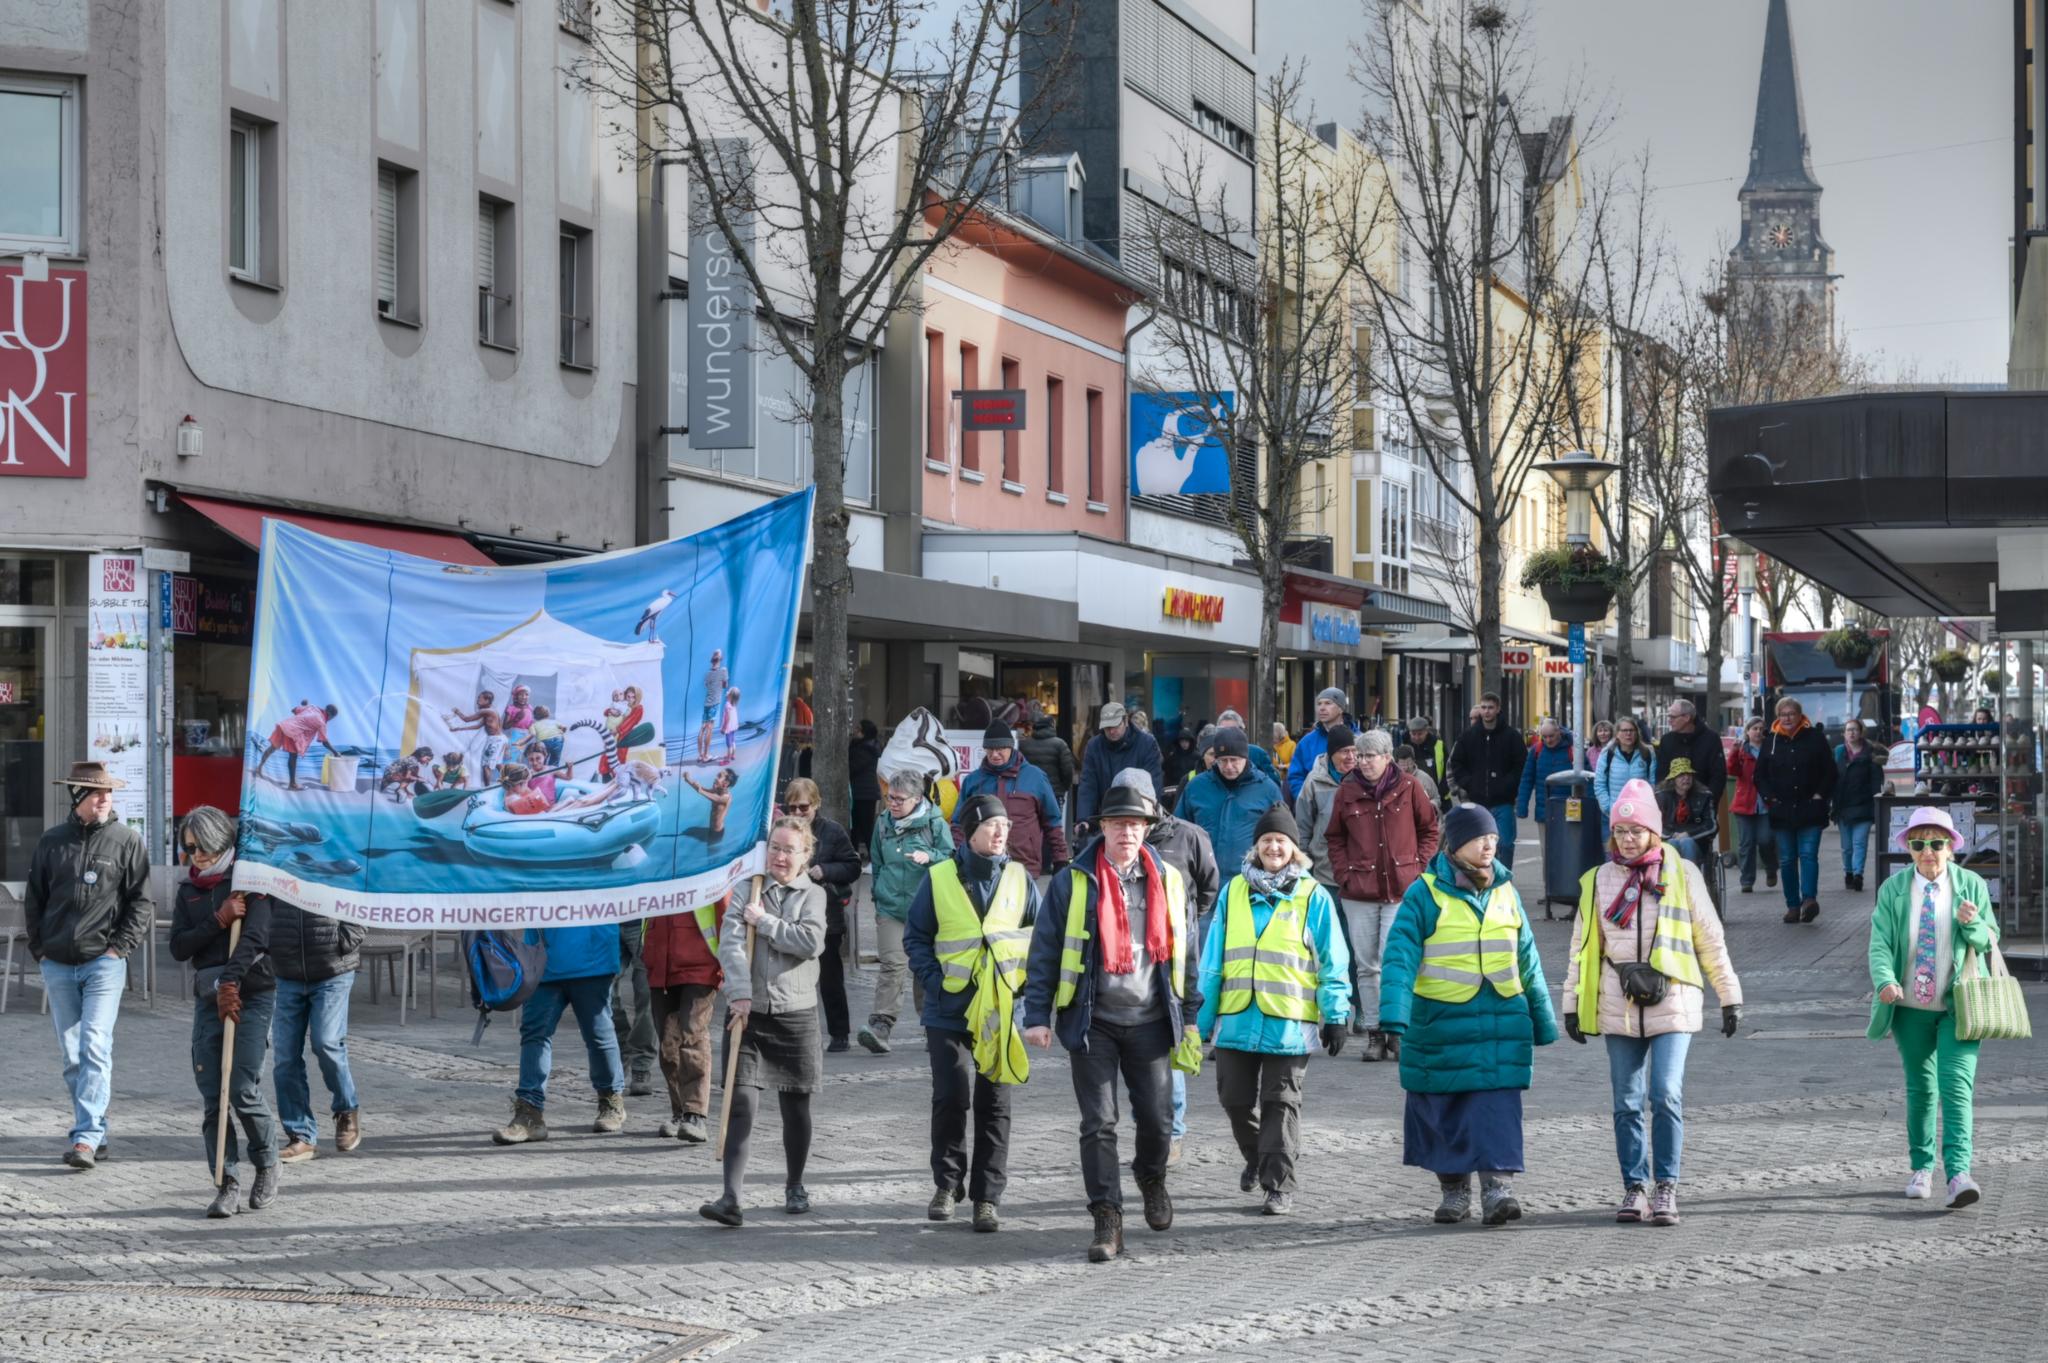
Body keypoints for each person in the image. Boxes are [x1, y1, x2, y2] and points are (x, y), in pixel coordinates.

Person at [1023, 782, 1199, 1262]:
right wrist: (1036, 1015)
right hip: (1092, 1020)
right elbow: (1045, 951)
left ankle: (1151, 1175)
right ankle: (1107, 1217)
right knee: (1099, 1122)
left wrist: (1192, 1016)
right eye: (1118, 824)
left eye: (1136, 824)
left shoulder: (1169, 878)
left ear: (1147, 830)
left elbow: (1188, 954)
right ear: (1102, 828)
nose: (1127, 832)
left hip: (1153, 1019)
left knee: (1159, 1122)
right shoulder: (1073, 880)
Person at [1561, 781, 1742, 1226]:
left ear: (1653, 832)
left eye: (1636, 830)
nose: (1626, 838)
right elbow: (1582, 949)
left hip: (1675, 998)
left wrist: (1729, 996)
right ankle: (1634, 1187)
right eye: (1620, 830)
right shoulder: (1599, 880)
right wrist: (1570, 1004)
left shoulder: (1683, 875)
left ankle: (1665, 1187)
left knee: (1665, 1094)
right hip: (1618, 1002)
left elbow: (1711, 940)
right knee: (1626, 1101)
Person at [1378, 804, 1558, 1226]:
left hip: (1500, 1019)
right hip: (1441, 1023)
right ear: (1455, 844)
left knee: (1496, 1106)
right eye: (1481, 839)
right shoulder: (1424, 893)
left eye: (1493, 839)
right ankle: (1454, 1191)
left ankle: (1498, 1189)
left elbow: (1527, 957)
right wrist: (1393, 1017)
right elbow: (1399, 958)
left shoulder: (1506, 891)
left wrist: (1543, 1017)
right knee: (1445, 1110)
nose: (1489, 846)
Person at [1195, 804, 1351, 1215]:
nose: (1274, 847)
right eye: (1266, 840)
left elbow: (1333, 960)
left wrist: (1336, 1014)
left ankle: (1278, 1184)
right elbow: (1213, 961)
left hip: (1289, 1023)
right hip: (1237, 1018)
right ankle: (1257, 1159)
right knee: (1234, 1100)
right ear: (1256, 847)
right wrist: (1199, 1021)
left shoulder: (1313, 896)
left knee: (1281, 1104)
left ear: (1294, 849)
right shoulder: (1233, 892)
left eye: (1281, 840)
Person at [903, 794, 1041, 1232]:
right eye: (991, 826)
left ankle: (987, 1197)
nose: (1001, 833)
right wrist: (934, 979)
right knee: (950, 1097)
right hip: (949, 1009)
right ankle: (947, 1185)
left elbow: (1040, 940)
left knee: (994, 1103)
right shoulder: (940, 877)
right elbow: (916, 936)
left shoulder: (1020, 879)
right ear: (969, 831)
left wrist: (1028, 995)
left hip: (1000, 1010)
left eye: (1005, 826)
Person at [699, 817, 829, 1226]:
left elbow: (810, 943)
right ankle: (730, 1198)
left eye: (790, 849)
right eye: (775, 847)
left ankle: (795, 1184)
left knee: (796, 1107)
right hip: (749, 1013)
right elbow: (732, 944)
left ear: (805, 855)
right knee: (741, 1104)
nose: (780, 856)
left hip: (796, 1013)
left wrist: (766, 923)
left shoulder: (814, 895)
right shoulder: (747, 889)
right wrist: (738, 992)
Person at [24, 761, 152, 1170]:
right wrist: (40, 950)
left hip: (103, 962)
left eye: (108, 793)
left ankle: (85, 1138)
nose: (104, 799)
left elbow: (141, 902)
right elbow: (35, 899)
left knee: (95, 1045)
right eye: (96, 792)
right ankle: (95, 1128)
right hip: (58, 964)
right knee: (73, 1055)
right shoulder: (52, 842)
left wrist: (120, 948)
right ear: (77, 797)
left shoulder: (126, 841)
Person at [1868, 807, 1997, 1208]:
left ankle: (1958, 1174)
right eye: (1919, 843)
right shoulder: (1893, 889)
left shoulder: (1970, 885)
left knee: (1956, 1089)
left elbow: (1990, 940)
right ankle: (1922, 1166)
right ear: (1908, 848)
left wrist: (1971, 924)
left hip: (1961, 1006)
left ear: (1951, 848)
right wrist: (1886, 980)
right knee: (1922, 1089)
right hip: (1909, 1008)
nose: (1928, 852)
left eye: (1937, 843)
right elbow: (1879, 943)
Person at [170, 807, 281, 1218]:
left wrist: (232, 981)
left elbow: (255, 938)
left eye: (200, 847)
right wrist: (218, 920)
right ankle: (226, 1180)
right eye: (187, 848)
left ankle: (267, 1162)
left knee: (241, 1087)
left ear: (219, 840)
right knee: (213, 1093)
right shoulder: (189, 891)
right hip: (207, 998)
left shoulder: (250, 882)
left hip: (250, 993)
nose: (194, 855)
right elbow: (180, 947)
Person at [1116, 768, 1221, 1164]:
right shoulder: (1112, 839)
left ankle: (1172, 1133)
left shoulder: (1189, 836)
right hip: (1129, 964)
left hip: (1174, 958)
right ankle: (1150, 1129)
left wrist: (1185, 921)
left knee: (1170, 1049)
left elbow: (1208, 886)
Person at [1326, 729, 1441, 1062]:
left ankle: (1397, 1030)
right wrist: (1343, 874)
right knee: (1366, 966)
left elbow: (1429, 829)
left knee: (1397, 962)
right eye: (1359, 756)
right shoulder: (1347, 790)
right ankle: (1376, 1033)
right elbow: (1334, 837)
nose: (1363, 762)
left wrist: (1418, 867)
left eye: (1370, 756)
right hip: (1359, 890)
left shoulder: (1409, 787)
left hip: (1401, 887)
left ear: (1387, 757)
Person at [491, 918, 626, 1145]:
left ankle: (610, 1098)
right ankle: (529, 1113)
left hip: (592, 962)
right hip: (544, 961)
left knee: (598, 1035)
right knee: (535, 1034)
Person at [270, 889, 367, 1164]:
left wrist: (344, 940)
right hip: (286, 970)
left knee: (326, 1042)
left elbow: (360, 899)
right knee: (285, 1057)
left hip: (332, 969)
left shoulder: (335, 853)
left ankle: (346, 1108)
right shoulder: (277, 854)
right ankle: (300, 1135)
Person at [862, 769, 954, 1055]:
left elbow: (952, 861)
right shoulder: (882, 824)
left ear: (916, 799)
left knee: (924, 968)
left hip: (925, 909)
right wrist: (878, 897)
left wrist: (932, 857)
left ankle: (932, 1026)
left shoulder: (936, 824)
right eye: (890, 798)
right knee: (892, 965)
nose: (893, 804)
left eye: (900, 799)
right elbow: (877, 863)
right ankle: (881, 1025)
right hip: (891, 907)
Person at [781, 778, 862, 1051]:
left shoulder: (832, 831)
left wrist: (826, 870)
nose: (798, 813)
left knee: (829, 977)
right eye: (792, 808)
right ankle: (795, 1033)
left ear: (816, 804)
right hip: (790, 915)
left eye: (803, 807)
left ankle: (839, 1034)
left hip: (826, 915)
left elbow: (853, 866)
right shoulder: (781, 831)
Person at [644, 896, 724, 1144]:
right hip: (660, 964)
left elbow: (726, 911)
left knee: (693, 1035)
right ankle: (680, 1112)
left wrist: (731, 962)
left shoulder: (705, 860)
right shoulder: (654, 862)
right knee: (668, 1045)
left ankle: (695, 1113)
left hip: (700, 965)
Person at [1175, 727, 1285, 900]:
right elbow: (1178, 832)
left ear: (1245, 758)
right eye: (1222, 760)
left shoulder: (1267, 789)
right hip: (1202, 884)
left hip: (1250, 884)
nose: (1228, 766)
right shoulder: (1196, 787)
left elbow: (1283, 836)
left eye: (1234, 760)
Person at [1756, 696, 1836, 924]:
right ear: (1777, 717)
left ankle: (1809, 900)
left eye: (1791, 714)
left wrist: (1820, 794)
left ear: (1800, 715)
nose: (1787, 718)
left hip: (1810, 808)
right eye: (1783, 714)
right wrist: (1769, 798)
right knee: (1788, 859)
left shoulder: (1814, 738)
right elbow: (1759, 775)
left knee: (1809, 855)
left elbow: (1829, 771)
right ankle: (1792, 905)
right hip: (1782, 810)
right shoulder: (1771, 741)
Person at [957, 721, 1071, 876]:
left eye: (1000, 748)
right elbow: (958, 824)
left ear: (1011, 747)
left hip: (1024, 865)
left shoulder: (1036, 777)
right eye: (990, 749)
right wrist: (956, 855)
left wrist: (1060, 859)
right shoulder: (973, 781)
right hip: (981, 865)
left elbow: (1052, 821)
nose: (994, 754)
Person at [1448, 694, 1526, 867]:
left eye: (1490, 707)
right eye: (1483, 707)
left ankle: (1503, 883)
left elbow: (1521, 765)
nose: (1486, 711)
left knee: (1505, 845)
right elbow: (1456, 763)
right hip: (1477, 803)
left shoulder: (1511, 736)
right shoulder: (1468, 736)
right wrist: (1469, 783)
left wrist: (1508, 785)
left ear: (1498, 709)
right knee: (1478, 847)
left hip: (1503, 802)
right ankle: (1483, 882)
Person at [1075, 702, 1164, 835]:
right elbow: (1088, 785)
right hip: (1107, 816)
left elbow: (1153, 782)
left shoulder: (1146, 743)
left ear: (1126, 721)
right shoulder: (1094, 746)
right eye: (1107, 727)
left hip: (1138, 816)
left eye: (1115, 726)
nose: (1111, 731)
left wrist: (1148, 815)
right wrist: (1083, 819)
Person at [1726, 717, 1779, 895]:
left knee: (1766, 840)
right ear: (1747, 732)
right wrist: (1733, 753)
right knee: (1746, 844)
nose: (1757, 732)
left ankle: (1771, 868)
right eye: (1754, 728)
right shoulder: (1742, 751)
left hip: (1765, 803)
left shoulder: (1770, 749)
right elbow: (1732, 771)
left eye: (1760, 728)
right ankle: (1747, 880)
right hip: (1745, 803)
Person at [1834, 718, 1883, 893]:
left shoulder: (1871, 753)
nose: (1852, 733)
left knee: (1859, 843)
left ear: (1861, 732)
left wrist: (1876, 801)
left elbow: (1877, 779)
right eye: (1848, 730)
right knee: (1847, 847)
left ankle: (1858, 875)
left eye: (1855, 729)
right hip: (1843, 807)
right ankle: (1848, 872)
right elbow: (1831, 777)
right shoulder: (1839, 752)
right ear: (1844, 734)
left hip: (1863, 806)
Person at [1285, 688, 1354, 802]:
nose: (1322, 708)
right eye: (1319, 704)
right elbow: (1295, 776)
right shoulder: (1306, 742)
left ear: (1340, 708)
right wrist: (1305, 801)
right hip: (1316, 810)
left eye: (1328, 703)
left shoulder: (1358, 739)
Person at [1592, 716, 1655, 837]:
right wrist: (1608, 807)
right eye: (1624, 731)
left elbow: (1652, 782)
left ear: (1637, 733)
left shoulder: (1647, 753)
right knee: (1613, 852)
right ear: (1617, 734)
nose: (1628, 734)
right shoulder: (1607, 753)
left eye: (1631, 730)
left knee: (1636, 850)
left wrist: (1648, 805)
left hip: (1640, 813)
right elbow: (1599, 783)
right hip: (1614, 812)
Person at [257, 701, 341, 791]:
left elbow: (294, 710)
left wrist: (304, 708)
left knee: (272, 748)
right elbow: (324, 741)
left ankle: (259, 768)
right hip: (293, 732)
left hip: (283, 725)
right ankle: (292, 784)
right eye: (332, 718)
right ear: (330, 714)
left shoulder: (312, 707)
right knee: (293, 756)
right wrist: (335, 752)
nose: (330, 720)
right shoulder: (321, 722)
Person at [1656, 699, 1726, 804]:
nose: (1669, 721)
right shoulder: (1666, 740)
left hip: (1704, 805)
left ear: (1687, 718)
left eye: (1673, 717)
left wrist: (1709, 801)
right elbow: (1662, 774)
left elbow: (1718, 775)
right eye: (1669, 717)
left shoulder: (1711, 739)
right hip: (1672, 806)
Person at [1654, 758, 1717, 874]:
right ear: (1673, 779)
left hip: (1697, 842)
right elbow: (1653, 823)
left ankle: (1691, 877)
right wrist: (1671, 835)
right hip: (1670, 838)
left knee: (1686, 842)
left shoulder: (1704, 796)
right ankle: (1674, 879)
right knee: (1673, 843)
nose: (1686, 778)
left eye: (1689, 775)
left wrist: (1688, 834)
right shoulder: (1661, 797)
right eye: (1681, 775)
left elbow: (1711, 826)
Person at [1514, 720, 1577, 828]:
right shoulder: (1537, 750)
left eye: (1551, 736)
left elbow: (1587, 778)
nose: (1548, 740)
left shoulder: (1573, 750)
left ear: (1558, 732)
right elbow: (1526, 780)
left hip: (1570, 810)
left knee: (1568, 844)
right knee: (1545, 845)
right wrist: (1522, 807)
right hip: (1544, 812)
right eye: (1544, 737)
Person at [1020, 712, 1078, 818]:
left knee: (1033, 826)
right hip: (1054, 793)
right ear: (1052, 726)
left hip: (1030, 793)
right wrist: (1063, 788)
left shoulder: (1023, 745)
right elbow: (1068, 771)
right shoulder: (1060, 744)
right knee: (1054, 827)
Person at [847, 718, 882, 854]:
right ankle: (855, 856)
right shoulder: (865, 746)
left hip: (863, 793)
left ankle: (874, 859)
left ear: (864, 733)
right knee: (857, 828)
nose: (854, 731)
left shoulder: (864, 748)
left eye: (858, 729)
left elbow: (851, 768)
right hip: (862, 793)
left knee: (865, 829)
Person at [1215, 708, 1277, 783]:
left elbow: (1273, 784)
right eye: (1223, 731)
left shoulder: (1257, 753)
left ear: (1241, 731)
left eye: (1232, 730)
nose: (1228, 735)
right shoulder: (1212, 753)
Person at [1402, 715, 1449, 805]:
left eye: (1420, 734)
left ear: (1426, 731)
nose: (1416, 737)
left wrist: (1443, 791)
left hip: (1437, 795)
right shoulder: (1403, 746)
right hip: (1410, 796)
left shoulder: (1438, 745)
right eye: (1413, 734)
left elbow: (1448, 769)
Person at [680, 769, 737, 836]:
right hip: (712, 828)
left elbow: (703, 792)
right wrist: (688, 780)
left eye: (719, 776)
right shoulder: (717, 790)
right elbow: (702, 789)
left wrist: (700, 789)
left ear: (725, 783)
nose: (715, 778)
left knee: (712, 846)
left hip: (717, 832)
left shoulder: (725, 798)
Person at [698, 649, 729, 764]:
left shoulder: (708, 673)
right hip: (714, 703)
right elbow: (725, 685)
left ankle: (700, 755)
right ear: (720, 659)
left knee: (703, 728)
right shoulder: (723, 671)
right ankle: (706, 755)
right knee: (709, 728)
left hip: (707, 702)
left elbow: (707, 685)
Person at [1161, 730, 1202, 808]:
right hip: (1174, 791)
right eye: (1182, 741)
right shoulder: (1172, 757)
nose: (1184, 744)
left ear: (1190, 742)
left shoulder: (1197, 757)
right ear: (1178, 742)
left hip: (1192, 789)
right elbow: (1167, 773)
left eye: (1186, 741)